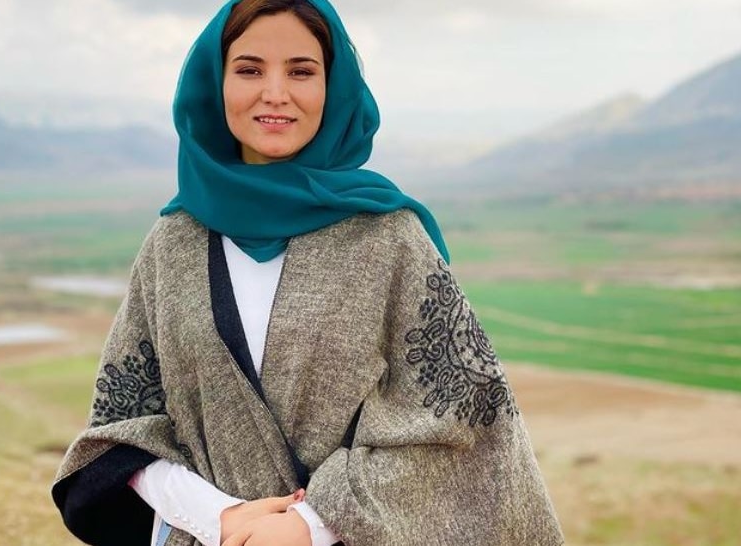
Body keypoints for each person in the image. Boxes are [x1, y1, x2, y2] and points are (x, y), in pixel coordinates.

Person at [52, 0, 564, 545]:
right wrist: (220, 518)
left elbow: (463, 425)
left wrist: (312, 523)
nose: (276, 92)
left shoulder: (390, 240)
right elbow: (123, 428)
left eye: (301, 71)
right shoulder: (172, 244)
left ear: (333, 87)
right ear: (214, 83)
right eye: (249, 69)